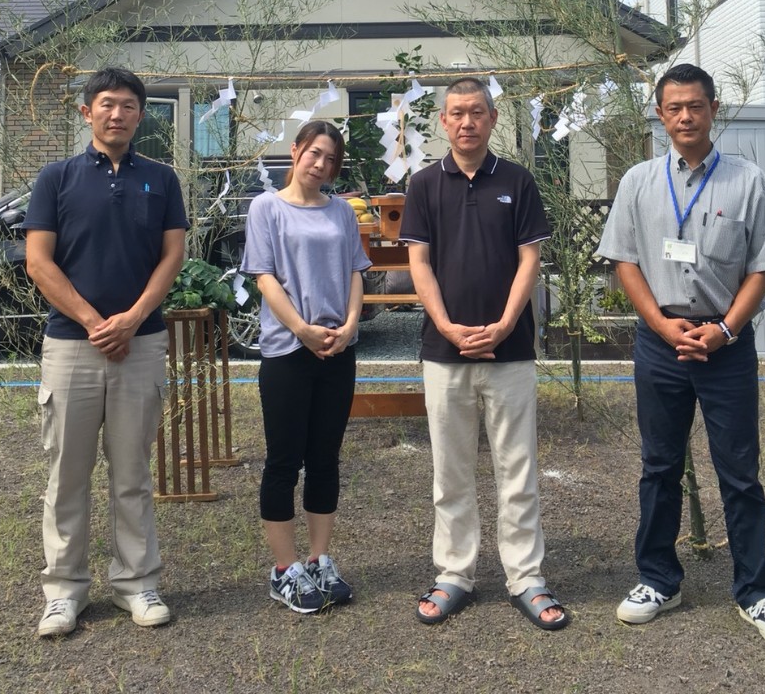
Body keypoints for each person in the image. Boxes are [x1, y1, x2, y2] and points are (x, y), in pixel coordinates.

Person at [598, 63, 765, 646]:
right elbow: (625, 261)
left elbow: (763, 266)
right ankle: (659, 579)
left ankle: (756, 592)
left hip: (725, 345)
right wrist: (661, 326)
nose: (685, 116)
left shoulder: (748, 181)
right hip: (660, 343)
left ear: (714, 110)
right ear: (660, 116)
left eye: (696, 105)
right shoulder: (638, 181)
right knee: (658, 467)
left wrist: (726, 332)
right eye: (674, 107)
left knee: (740, 474)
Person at [399, 78, 569, 631]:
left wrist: (502, 326)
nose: (466, 121)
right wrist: (447, 326)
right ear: (443, 122)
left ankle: (526, 577)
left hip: (511, 350)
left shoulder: (518, 182)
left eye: (476, 112)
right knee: (451, 473)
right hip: (442, 352)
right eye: (456, 113)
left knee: (517, 469)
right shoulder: (423, 185)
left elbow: (529, 261)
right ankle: (455, 574)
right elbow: (419, 264)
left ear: (493, 119)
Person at [25, 67, 188, 637]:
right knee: (66, 473)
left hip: (141, 345)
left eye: (127, 106)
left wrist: (134, 318)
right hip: (72, 346)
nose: (116, 114)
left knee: (132, 471)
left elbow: (172, 255)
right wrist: (96, 322)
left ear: (141, 115)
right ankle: (64, 590)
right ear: (86, 111)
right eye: (106, 104)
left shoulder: (161, 179)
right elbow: (39, 262)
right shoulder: (56, 178)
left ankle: (137, 583)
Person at [241, 120, 370, 613]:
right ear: (295, 152)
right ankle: (284, 568)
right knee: (283, 460)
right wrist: (302, 328)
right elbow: (264, 276)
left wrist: (351, 324)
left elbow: (358, 271)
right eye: (314, 153)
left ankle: (319, 559)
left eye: (331, 159)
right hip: (288, 349)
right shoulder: (266, 207)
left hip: (338, 348)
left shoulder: (342, 212)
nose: (321, 164)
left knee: (325, 458)